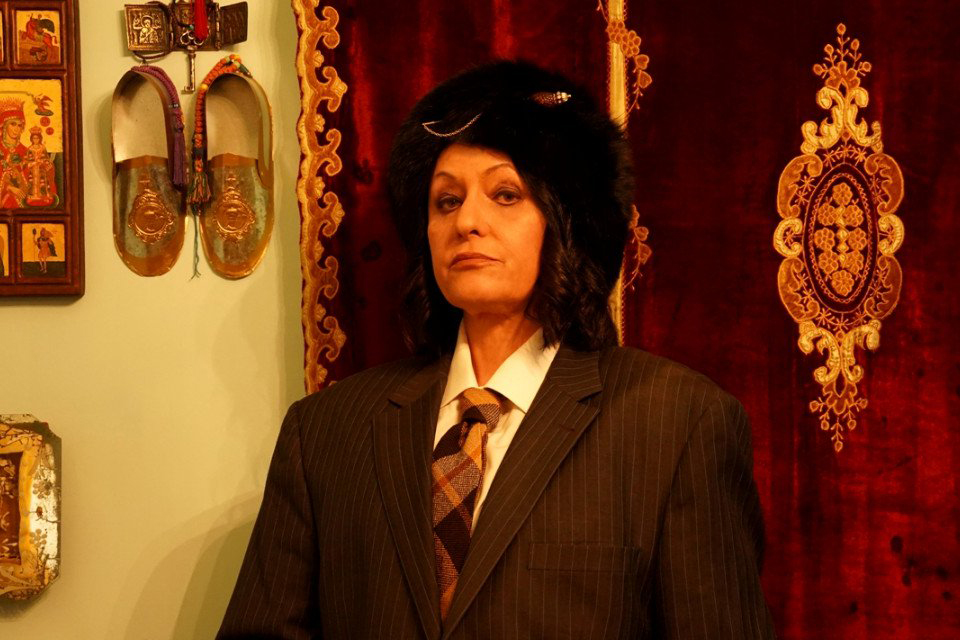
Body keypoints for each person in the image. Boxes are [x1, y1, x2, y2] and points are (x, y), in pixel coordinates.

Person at [219, 60, 776, 639]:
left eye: (505, 194)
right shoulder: (326, 433)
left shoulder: (677, 423)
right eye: (446, 200)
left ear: (565, 221)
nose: (468, 221)